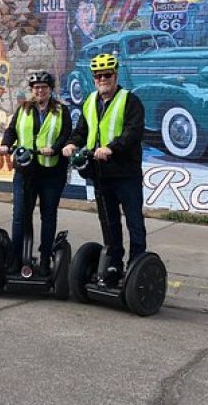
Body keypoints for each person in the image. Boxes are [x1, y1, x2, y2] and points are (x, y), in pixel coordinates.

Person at [62, 53, 146, 286]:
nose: (102, 79)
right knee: (109, 223)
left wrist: (111, 148)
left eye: (107, 75)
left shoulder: (130, 100)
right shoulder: (90, 101)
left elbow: (133, 132)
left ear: (115, 76)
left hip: (125, 174)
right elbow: (82, 130)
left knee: (134, 223)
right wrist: (71, 143)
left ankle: (137, 266)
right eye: (98, 76)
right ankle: (113, 263)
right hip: (100, 174)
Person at [0, 71, 72, 275]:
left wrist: (54, 148)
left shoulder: (61, 111)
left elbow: (66, 134)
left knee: (48, 216)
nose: (40, 90)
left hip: (51, 172)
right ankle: (15, 258)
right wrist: (5, 144)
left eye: (44, 87)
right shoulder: (23, 109)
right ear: (32, 90)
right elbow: (12, 130)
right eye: (36, 87)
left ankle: (46, 258)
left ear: (50, 90)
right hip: (25, 170)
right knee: (20, 215)